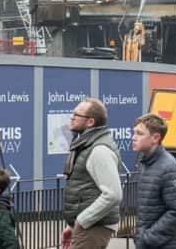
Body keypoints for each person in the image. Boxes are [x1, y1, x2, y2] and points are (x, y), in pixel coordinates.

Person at [61, 98, 122, 249]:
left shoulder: (99, 149)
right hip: (89, 226)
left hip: (93, 227)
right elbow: (84, 188)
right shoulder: (85, 143)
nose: (72, 117)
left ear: (90, 122)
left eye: (77, 114)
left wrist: (81, 221)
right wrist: (72, 226)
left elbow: (113, 194)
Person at [132, 113, 176, 249]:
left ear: (155, 138)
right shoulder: (146, 163)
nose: (133, 137)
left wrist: (148, 238)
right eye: (134, 133)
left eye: (139, 134)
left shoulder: (168, 167)